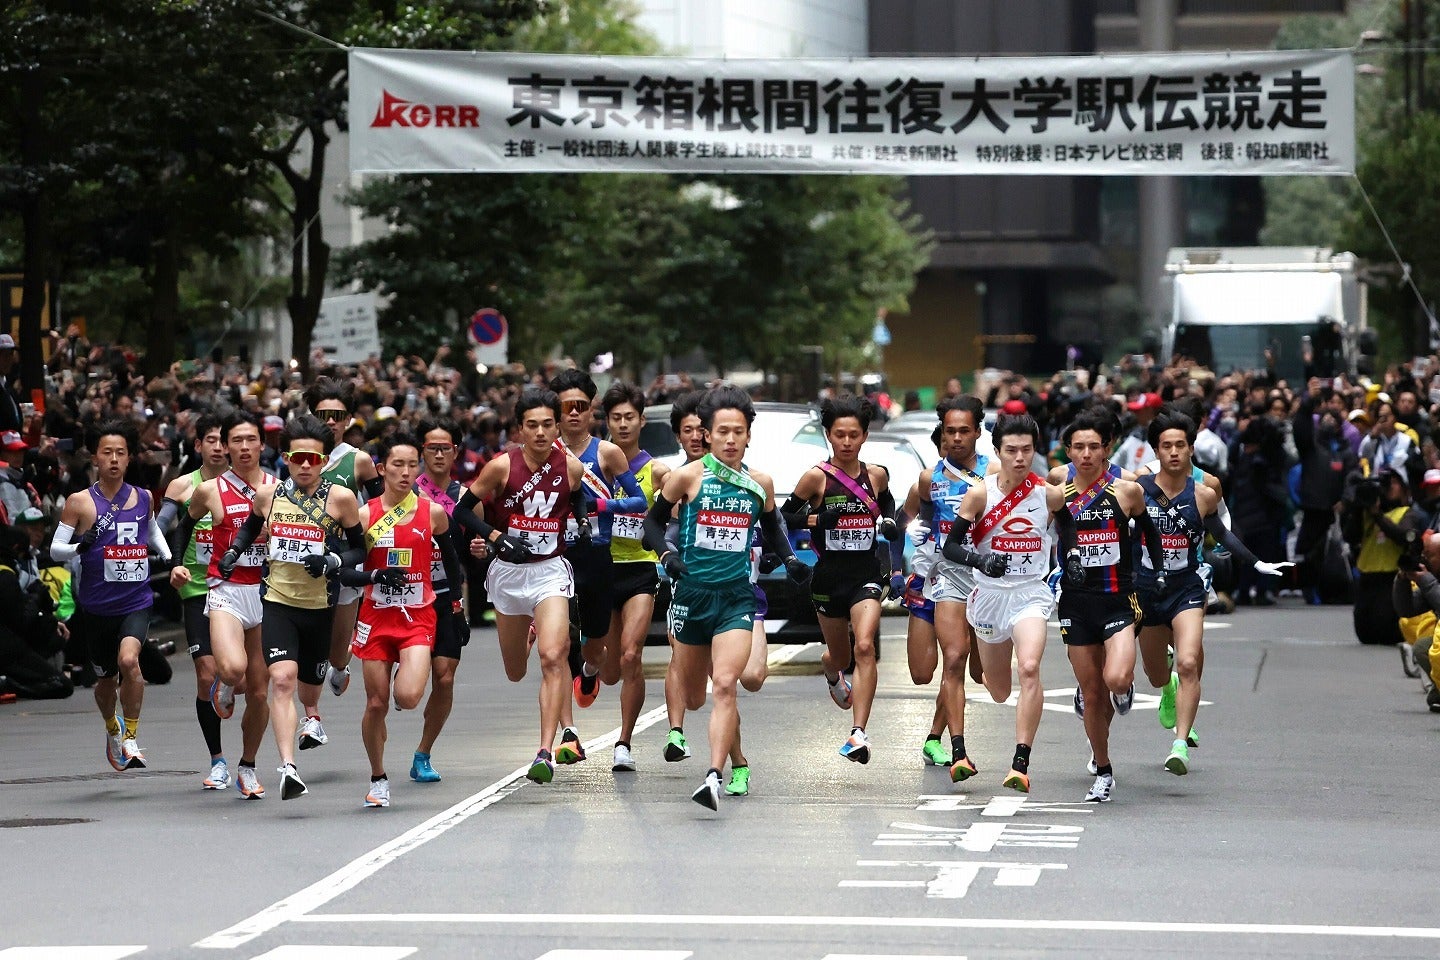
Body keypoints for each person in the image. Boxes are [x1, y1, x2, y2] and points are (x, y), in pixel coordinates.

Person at [643, 385, 811, 810]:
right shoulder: (687, 477)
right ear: (709, 435)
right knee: (695, 696)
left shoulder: (760, 484)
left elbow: (774, 528)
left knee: (725, 685)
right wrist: (667, 555)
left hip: (736, 598)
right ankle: (726, 758)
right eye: (723, 432)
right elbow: (651, 524)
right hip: (691, 597)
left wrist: (789, 560)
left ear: (749, 435)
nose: (731, 439)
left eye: (739, 431)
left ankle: (715, 776)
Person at [1135, 411, 1291, 776]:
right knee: (1156, 674)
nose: (1174, 452)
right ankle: (1167, 688)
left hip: (1187, 587)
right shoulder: (1139, 489)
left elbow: (1224, 535)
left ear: (1191, 449)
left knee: (1189, 661)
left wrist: (1256, 564)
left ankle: (1180, 743)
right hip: (1147, 589)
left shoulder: (1203, 494)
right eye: (1166, 446)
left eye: (1180, 445)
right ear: (1156, 451)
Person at [220, 415, 367, 800]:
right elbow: (252, 525)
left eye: (313, 459)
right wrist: (236, 549)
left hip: (320, 608)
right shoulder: (269, 496)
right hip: (278, 604)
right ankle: (288, 767)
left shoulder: (341, 499)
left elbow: (359, 550)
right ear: (286, 458)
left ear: (323, 461)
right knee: (282, 679)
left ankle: (315, 710)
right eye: (298, 458)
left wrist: (333, 562)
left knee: (309, 686)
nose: (305, 465)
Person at [451, 389, 589, 785]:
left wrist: (579, 524)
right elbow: (462, 509)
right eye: (533, 425)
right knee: (515, 671)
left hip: (550, 571)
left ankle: (545, 750)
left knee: (553, 656)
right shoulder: (500, 467)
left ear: (557, 426)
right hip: (510, 575)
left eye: (548, 424)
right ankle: (530, 632)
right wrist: (496, 536)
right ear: (520, 430)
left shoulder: (571, 466)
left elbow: (577, 498)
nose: (542, 433)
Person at [333, 431, 461, 808]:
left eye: (411, 466)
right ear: (381, 469)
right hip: (375, 617)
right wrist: (373, 576)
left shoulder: (432, 513)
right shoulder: (363, 514)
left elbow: (453, 563)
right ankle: (378, 777)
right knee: (376, 703)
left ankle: (405, 689)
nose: (405, 473)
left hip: (417, 617)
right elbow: (346, 569)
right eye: (397, 465)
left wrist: (455, 606)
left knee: (408, 694)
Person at [941, 413, 1067, 793]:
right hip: (989, 598)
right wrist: (981, 560)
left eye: (1027, 450)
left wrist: (1072, 563)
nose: (1019, 458)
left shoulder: (1049, 494)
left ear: (1035, 452)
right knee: (997, 689)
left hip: (1030, 593)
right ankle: (964, 752)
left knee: (1029, 667)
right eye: (1011, 450)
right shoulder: (980, 493)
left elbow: (1070, 538)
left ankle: (1020, 764)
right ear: (997, 451)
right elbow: (950, 547)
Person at [1053, 408, 1165, 803]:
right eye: (1078, 447)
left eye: (1093, 447)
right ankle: (1103, 769)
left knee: (1115, 679)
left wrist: (1160, 570)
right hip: (1075, 602)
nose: (1086, 454)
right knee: (1092, 694)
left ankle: (1124, 685)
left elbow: (1150, 533)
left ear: (1106, 450)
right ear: (1067, 450)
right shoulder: (1056, 488)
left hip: (1118, 598)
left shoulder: (1126, 491)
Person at [50, 418, 172, 771]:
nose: (115, 459)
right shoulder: (79, 502)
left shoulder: (144, 497)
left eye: (121, 452)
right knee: (105, 681)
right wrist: (78, 546)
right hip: (97, 605)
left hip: (136, 599)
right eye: (108, 453)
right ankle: (112, 727)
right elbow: (55, 549)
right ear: (95, 458)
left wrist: (167, 557)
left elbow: (150, 530)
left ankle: (132, 738)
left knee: (129, 661)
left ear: (130, 457)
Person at [783, 395, 899, 764]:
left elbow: (889, 504)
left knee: (865, 647)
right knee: (841, 654)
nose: (846, 442)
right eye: (839, 435)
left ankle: (858, 733)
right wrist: (819, 521)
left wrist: (890, 523)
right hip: (828, 577)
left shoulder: (876, 475)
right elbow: (784, 518)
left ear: (864, 436)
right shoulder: (815, 477)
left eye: (854, 435)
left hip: (865, 573)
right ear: (828, 436)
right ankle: (831, 670)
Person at [547, 369, 647, 765]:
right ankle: (567, 735)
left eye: (581, 407)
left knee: (594, 648)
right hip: (553, 557)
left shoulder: (607, 454)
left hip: (597, 555)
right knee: (555, 649)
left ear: (592, 411)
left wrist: (599, 506)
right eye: (565, 406)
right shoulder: (542, 452)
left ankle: (588, 670)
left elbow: (639, 502)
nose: (573, 413)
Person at [177, 411, 278, 799]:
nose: (243, 447)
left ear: (261, 444)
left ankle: (248, 767)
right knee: (233, 669)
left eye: (251, 439)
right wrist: (177, 565)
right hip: (224, 589)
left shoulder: (278, 487)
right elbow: (185, 525)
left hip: (268, 593)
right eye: (236, 440)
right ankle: (223, 681)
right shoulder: (211, 490)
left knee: (258, 691)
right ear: (225, 446)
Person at [913, 397, 990, 782]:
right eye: (950, 431)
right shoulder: (930, 478)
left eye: (964, 431)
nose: (957, 438)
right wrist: (916, 549)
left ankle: (938, 734)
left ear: (978, 431)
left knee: (983, 674)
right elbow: (924, 523)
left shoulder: (995, 473)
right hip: (949, 575)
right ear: (942, 434)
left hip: (991, 579)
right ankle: (957, 750)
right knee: (954, 656)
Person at [596, 382, 670, 773]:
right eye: (615, 418)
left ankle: (623, 742)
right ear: (606, 421)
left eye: (629, 417)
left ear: (642, 421)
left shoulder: (657, 471)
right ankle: (590, 668)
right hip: (601, 568)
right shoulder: (594, 465)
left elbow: (674, 515)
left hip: (640, 569)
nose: (623, 425)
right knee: (609, 672)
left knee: (630, 655)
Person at [157, 412, 232, 789]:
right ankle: (218, 761)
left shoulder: (248, 486)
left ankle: (232, 683)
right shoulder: (183, 486)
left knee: (243, 674)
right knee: (206, 674)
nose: (219, 447)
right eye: (212, 440)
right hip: (196, 588)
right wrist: (172, 564)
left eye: (225, 440)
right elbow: (163, 527)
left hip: (237, 588)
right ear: (199, 444)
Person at [304, 377, 382, 708]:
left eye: (338, 416)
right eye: (323, 416)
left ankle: (340, 663)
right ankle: (310, 711)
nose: (331, 423)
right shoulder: (300, 455)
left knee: (336, 651)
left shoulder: (358, 460)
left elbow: (383, 505)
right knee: (304, 638)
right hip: (305, 559)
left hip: (346, 561)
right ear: (312, 418)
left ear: (348, 420)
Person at [409, 416, 477, 783]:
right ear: (422, 451)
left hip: (448, 594)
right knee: (407, 682)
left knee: (445, 678)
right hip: (407, 595)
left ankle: (423, 752)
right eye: (431, 447)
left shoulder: (466, 497)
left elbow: (472, 549)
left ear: (455, 451)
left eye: (445, 448)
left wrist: (480, 550)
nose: (438, 454)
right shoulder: (406, 491)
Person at [1343, 467, 1423, 646]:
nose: (1389, 487)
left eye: (1394, 482)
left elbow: (1403, 536)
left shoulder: (1406, 513)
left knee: (1387, 632)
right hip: (1367, 578)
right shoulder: (1366, 513)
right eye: (1387, 484)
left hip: (1390, 579)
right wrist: (1356, 507)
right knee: (1365, 633)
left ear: (1404, 488)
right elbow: (1349, 536)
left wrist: (1377, 515)